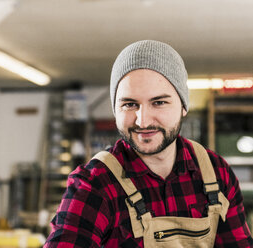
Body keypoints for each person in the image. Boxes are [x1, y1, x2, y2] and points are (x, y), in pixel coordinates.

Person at [44, 40, 253, 247]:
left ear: (183, 105)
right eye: (129, 104)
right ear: (115, 110)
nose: (142, 121)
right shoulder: (96, 184)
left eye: (159, 102)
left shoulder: (216, 173)